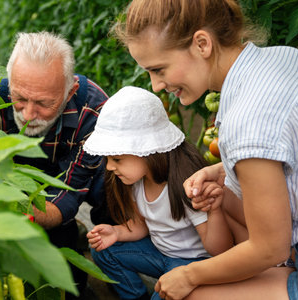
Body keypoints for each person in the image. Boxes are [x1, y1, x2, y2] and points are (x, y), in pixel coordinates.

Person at [111, 1, 298, 299]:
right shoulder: (285, 58)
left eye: (159, 69)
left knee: (187, 295)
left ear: (202, 44)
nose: (156, 85)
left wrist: (187, 274)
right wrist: (222, 169)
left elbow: (270, 248)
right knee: (225, 192)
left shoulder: (245, 122)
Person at [0, 31, 112, 299]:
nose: (28, 114)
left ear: (71, 92)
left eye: (44, 103)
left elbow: (71, 188)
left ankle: (112, 256)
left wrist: (26, 218)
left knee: (112, 182)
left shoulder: (92, 108)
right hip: (12, 180)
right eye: (19, 98)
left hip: (66, 179)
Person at [83, 86, 233, 300]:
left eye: (116, 159)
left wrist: (215, 212)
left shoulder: (186, 184)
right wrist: (117, 233)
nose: (108, 167)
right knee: (103, 251)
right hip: (160, 254)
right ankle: (135, 296)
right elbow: (140, 226)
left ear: (146, 151)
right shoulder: (136, 182)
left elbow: (219, 249)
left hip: (193, 264)